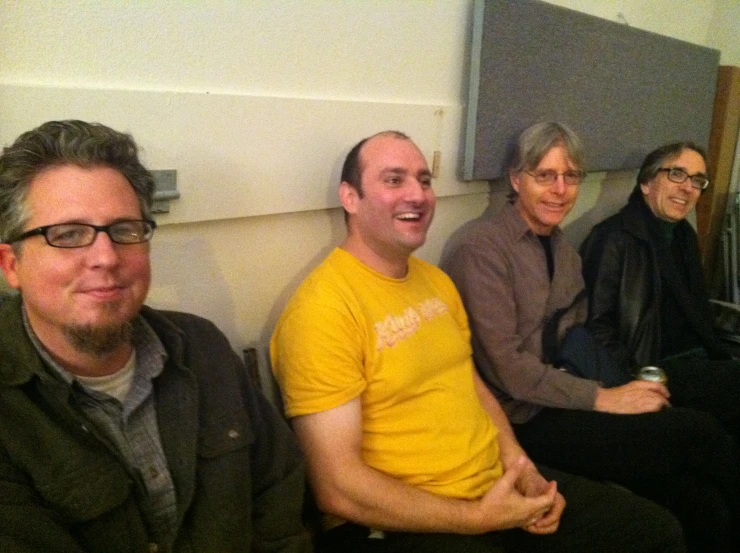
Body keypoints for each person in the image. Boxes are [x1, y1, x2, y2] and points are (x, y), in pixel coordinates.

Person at [271, 130, 686, 553]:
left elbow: (471, 384)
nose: (417, 194)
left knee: (653, 531)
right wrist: (476, 519)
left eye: (424, 180)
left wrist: (520, 466)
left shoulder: (433, 282)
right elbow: (338, 488)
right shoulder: (321, 311)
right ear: (350, 197)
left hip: (492, 486)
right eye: (394, 180)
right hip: (408, 521)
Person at [0, 120, 311, 553]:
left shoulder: (203, 349)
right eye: (68, 234)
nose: (106, 257)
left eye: (124, 230)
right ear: (11, 265)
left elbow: (278, 501)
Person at [444, 122, 740, 553]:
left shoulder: (563, 250)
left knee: (702, 501)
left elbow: (577, 335)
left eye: (571, 177)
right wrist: (606, 398)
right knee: (699, 434)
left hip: (568, 394)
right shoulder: (482, 248)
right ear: (515, 179)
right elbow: (508, 369)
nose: (559, 189)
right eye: (544, 175)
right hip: (524, 418)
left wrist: (620, 385)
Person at [580, 142, 740, 441]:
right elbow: (594, 326)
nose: (688, 188)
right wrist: (637, 375)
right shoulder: (612, 240)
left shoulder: (683, 235)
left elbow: (698, 311)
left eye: (697, 180)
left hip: (698, 356)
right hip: (654, 365)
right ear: (646, 182)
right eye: (677, 174)